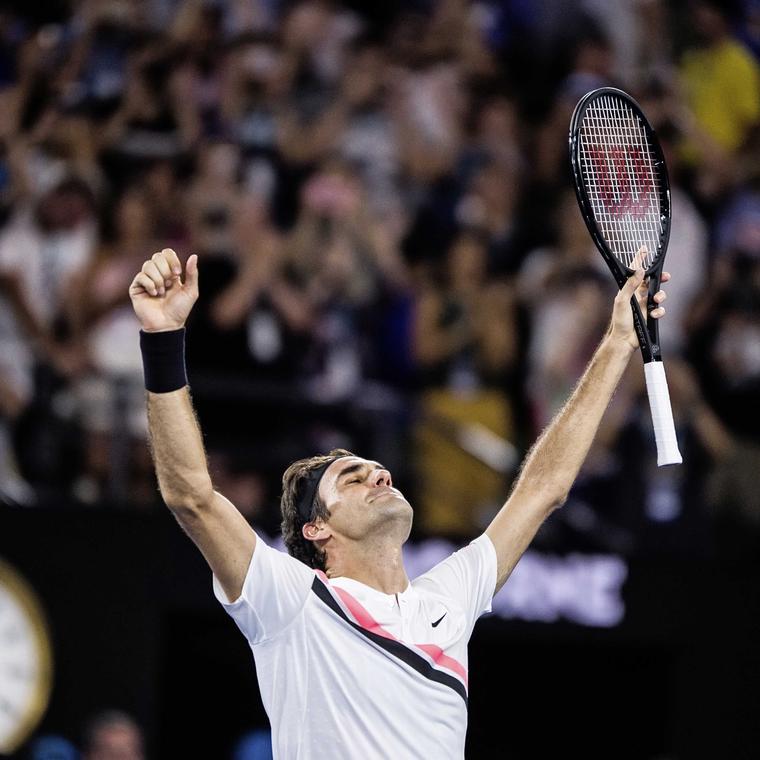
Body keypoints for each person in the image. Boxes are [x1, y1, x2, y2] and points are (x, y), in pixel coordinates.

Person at [128, 247, 669, 758]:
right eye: (352, 478)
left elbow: (543, 489)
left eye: (375, 468)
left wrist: (619, 340)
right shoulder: (292, 600)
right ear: (317, 531)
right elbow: (191, 496)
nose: (378, 474)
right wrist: (162, 335)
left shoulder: (445, 602)